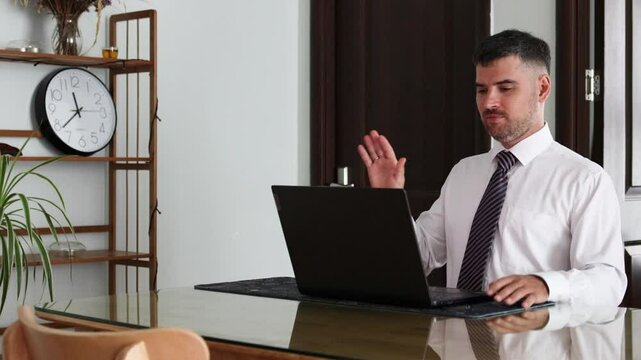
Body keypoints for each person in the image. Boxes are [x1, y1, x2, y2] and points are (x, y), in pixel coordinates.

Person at [357, 29, 626, 308]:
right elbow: (420, 257)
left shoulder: (584, 180)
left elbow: (609, 282)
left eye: (505, 88)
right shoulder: (463, 173)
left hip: (535, 345)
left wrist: (547, 284)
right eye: (481, 90)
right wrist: (389, 201)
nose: (489, 102)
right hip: (457, 343)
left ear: (542, 88)